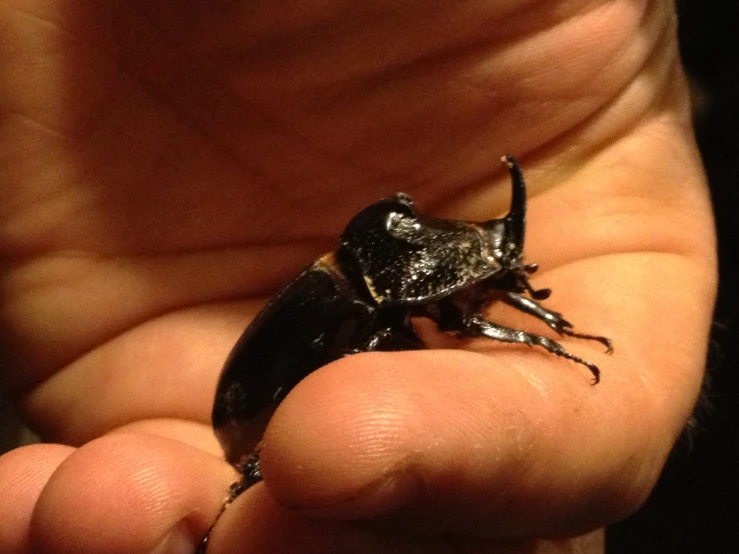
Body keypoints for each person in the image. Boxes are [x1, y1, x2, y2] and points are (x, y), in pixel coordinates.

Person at [0, 1, 716, 552]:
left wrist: (549, 328)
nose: (509, 281)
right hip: (247, 416)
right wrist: (545, 341)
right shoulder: (368, 299)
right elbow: (471, 319)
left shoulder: (380, 280)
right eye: (488, 268)